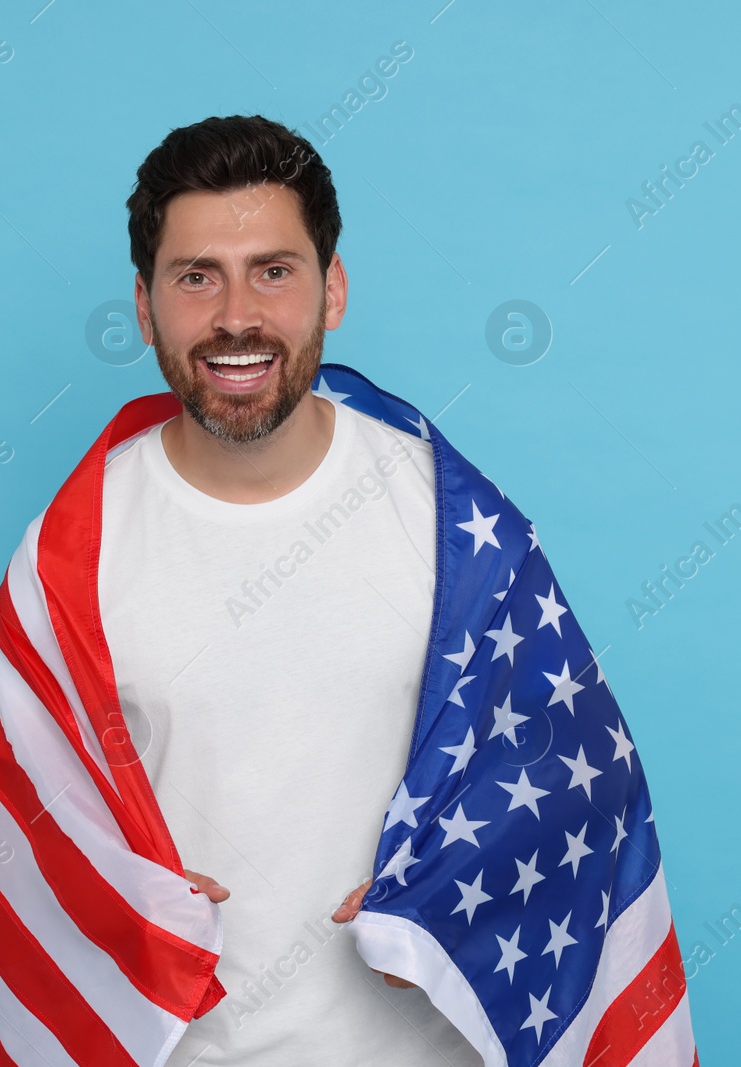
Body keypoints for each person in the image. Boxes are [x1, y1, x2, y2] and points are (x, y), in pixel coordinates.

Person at [106, 114, 481, 1064]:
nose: (238, 315)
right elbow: (21, 833)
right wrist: (111, 896)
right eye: (198, 276)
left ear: (333, 291)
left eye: (274, 270)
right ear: (146, 308)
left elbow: (565, 788)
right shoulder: (72, 549)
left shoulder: (451, 520)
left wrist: (451, 894)